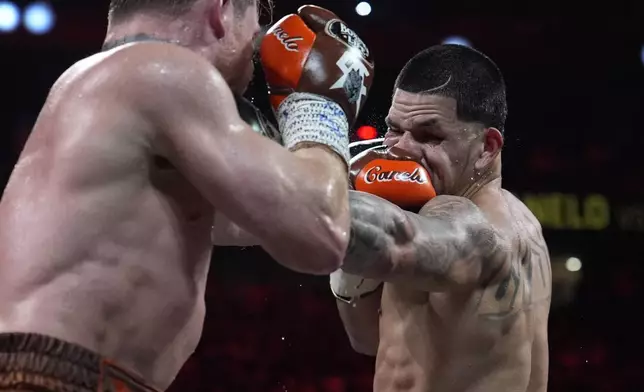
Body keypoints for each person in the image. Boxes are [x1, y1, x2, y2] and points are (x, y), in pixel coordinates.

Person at [0, 0, 373, 390]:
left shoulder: (99, 85)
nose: (258, 42)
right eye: (255, 20)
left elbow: (267, 218)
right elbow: (319, 231)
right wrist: (319, 108)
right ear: (222, 9)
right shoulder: (166, 71)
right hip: (57, 377)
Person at [330, 44, 552, 392]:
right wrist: (351, 271)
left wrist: (321, 180)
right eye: (394, 129)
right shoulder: (431, 212)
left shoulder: (483, 226)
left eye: (429, 135)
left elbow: (412, 242)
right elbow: (369, 341)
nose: (400, 148)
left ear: (487, 147)